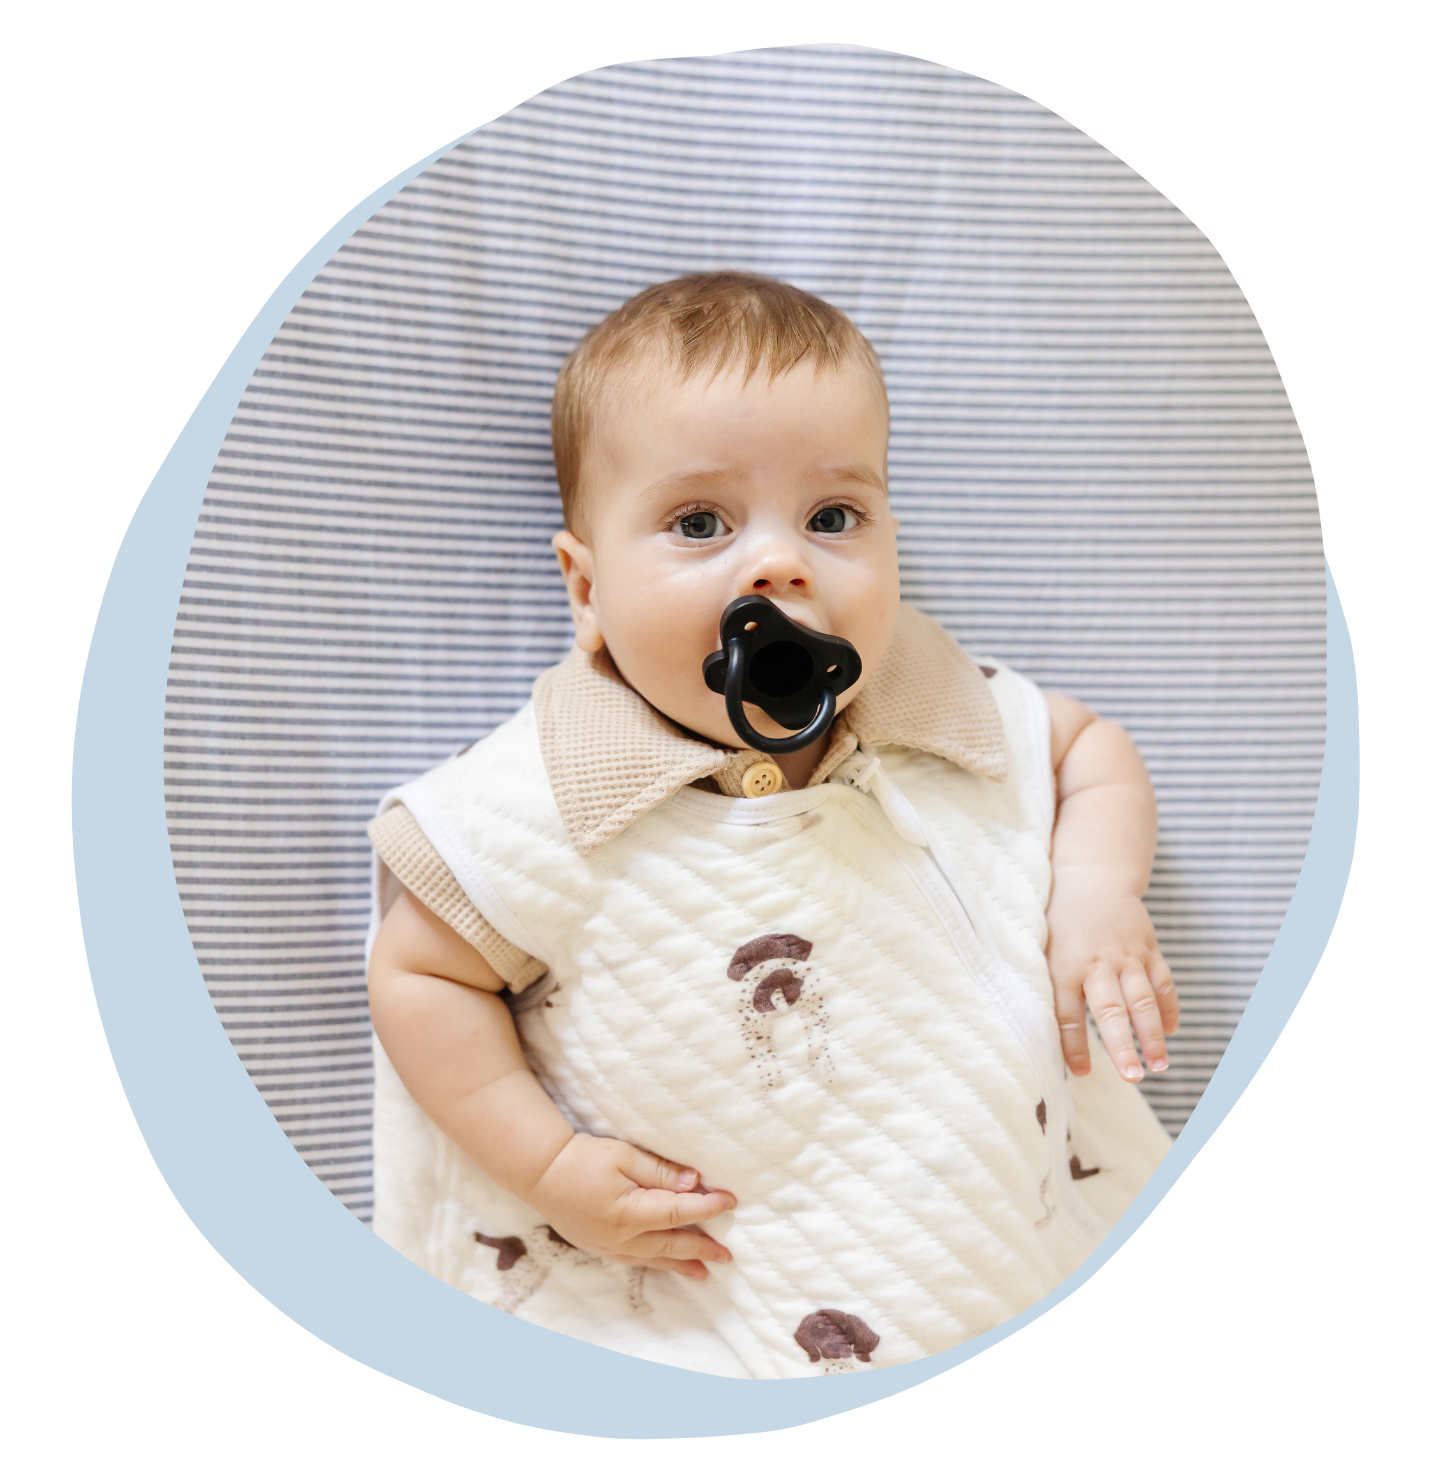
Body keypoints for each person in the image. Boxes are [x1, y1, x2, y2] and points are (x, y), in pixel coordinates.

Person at [365, 272, 1177, 1378]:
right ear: (584, 587)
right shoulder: (550, 787)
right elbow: (418, 975)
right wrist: (549, 1165)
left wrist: (1094, 896)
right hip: (719, 1295)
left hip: (1008, 1222)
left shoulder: (929, 702)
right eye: (698, 522)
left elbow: (1088, 750)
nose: (778, 563)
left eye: (832, 516)